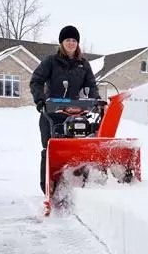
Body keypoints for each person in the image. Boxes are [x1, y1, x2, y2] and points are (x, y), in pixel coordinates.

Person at [30, 25, 101, 194]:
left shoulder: (83, 65)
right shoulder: (51, 62)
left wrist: (96, 100)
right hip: (52, 114)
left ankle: (79, 182)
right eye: (68, 40)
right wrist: (41, 101)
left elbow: (91, 85)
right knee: (50, 149)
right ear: (61, 42)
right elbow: (36, 81)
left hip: (75, 114)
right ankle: (49, 187)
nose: (71, 43)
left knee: (78, 149)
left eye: (74, 40)